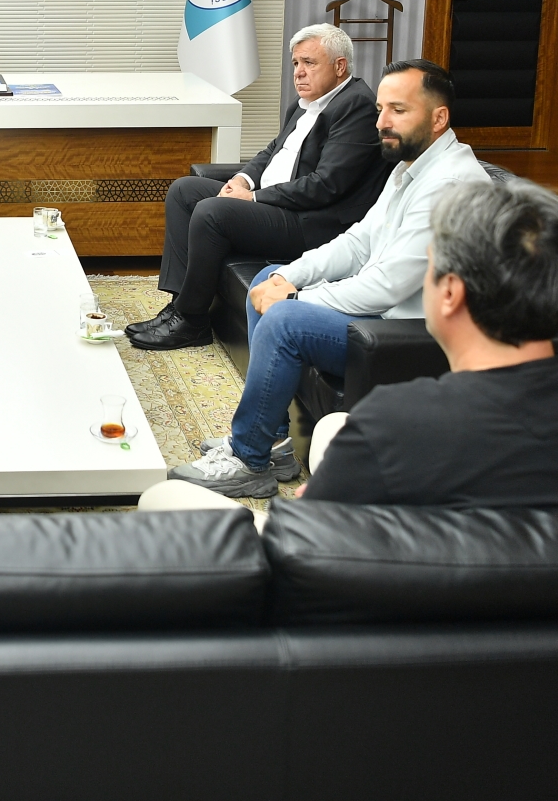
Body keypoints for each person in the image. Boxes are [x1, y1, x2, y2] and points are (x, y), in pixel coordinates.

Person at [166, 59, 489, 498]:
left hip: (408, 336)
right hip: (383, 314)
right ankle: (273, 443)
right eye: (380, 109)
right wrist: (289, 277)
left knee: (283, 318)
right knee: (269, 278)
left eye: (398, 110)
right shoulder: (411, 167)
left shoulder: (449, 184)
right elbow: (357, 242)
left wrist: (295, 300)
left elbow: (388, 285)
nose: (382, 122)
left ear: (439, 118)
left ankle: (248, 459)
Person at [300, 178, 558, 506]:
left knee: (331, 431)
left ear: (450, 293)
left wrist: (321, 495)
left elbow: (304, 542)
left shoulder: (390, 426)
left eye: (429, 267)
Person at [128, 23, 387, 351]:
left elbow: (326, 185)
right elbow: (273, 150)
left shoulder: (357, 106)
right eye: (296, 63)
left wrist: (252, 197)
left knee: (212, 211)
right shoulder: (305, 103)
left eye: (309, 63)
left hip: (310, 222)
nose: (299, 72)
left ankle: (191, 321)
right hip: (276, 204)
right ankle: (181, 306)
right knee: (184, 191)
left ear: (340, 66)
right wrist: (241, 179)